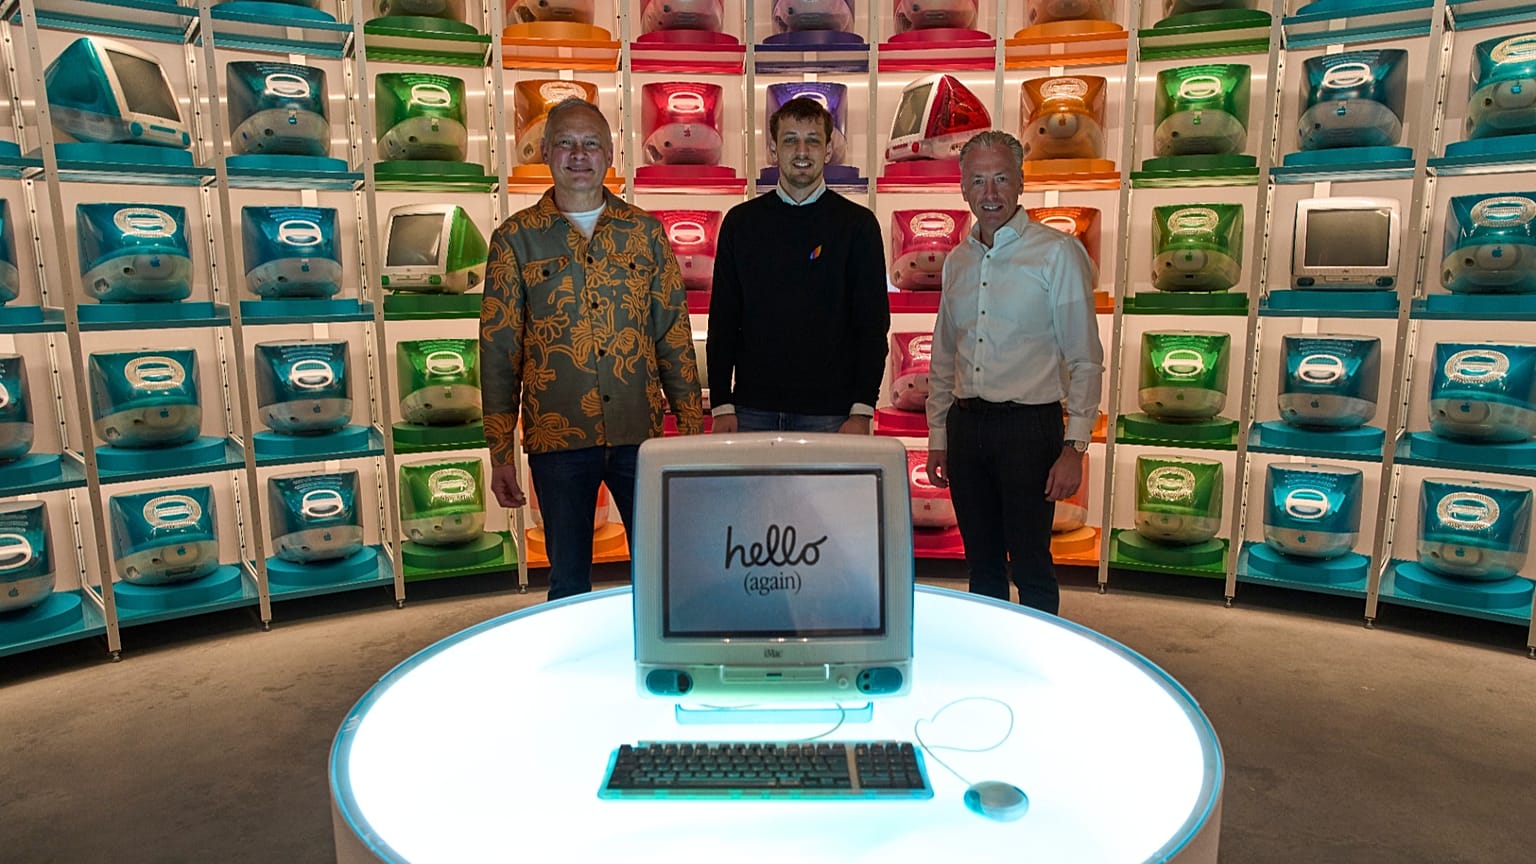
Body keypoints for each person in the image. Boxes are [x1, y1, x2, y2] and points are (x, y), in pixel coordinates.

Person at [480, 98, 703, 601]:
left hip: (640, 437)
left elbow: (673, 336)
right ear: (544, 152)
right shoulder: (514, 240)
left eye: (591, 144)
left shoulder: (645, 233)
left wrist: (692, 438)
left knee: (662, 570)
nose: (579, 155)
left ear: (609, 155)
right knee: (567, 582)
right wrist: (499, 452)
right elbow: (499, 351)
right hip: (557, 440)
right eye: (566, 143)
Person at [924, 130, 1104, 615]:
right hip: (966, 429)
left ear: (1022, 182)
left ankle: (1040, 666)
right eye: (978, 180)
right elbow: (944, 356)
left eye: (1002, 179)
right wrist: (938, 435)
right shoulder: (958, 262)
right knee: (980, 563)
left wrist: (1076, 448)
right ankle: (991, 661)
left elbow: (1086, 357)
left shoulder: (1057, 254)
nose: (991, 194)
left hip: (1030, 430)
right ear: (962, 187)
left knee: (1031, 564)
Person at [706, 96, 889, 435]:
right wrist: (721, 403)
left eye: (813, 141)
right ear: (773, 151)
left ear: (828, 150)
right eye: (790, 140)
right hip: (751, 410)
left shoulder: (857, 225)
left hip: (832, 414)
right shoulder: (741, 223)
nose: (802, 151)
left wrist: (862, 409)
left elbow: (872, 324)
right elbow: (723, 320)